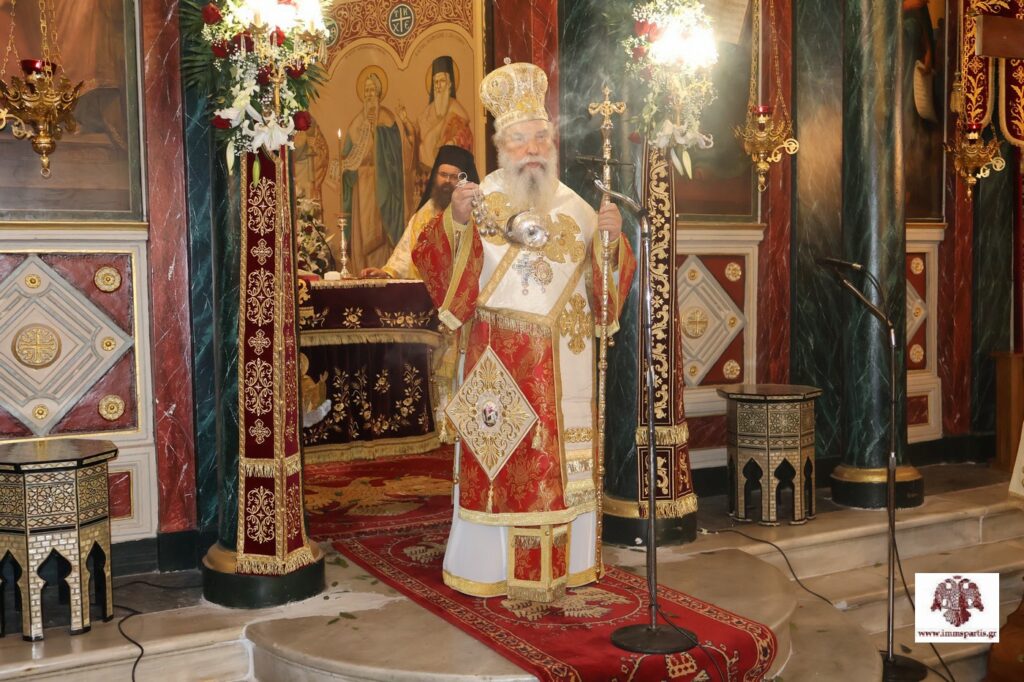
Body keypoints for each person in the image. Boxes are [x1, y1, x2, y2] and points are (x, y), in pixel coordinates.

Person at [412, 61, 635, 603]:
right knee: (500, 466)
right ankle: (489, 567)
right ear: (500, 146)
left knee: (559, 472)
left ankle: (567, 566)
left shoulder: (578, 208)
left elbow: (606, 293)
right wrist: (456, 221)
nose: (532, 148)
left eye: (541, 137)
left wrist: (611, 241)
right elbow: (435, 263)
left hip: (565, 366)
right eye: (520, 139)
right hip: (499, 362)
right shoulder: (478, 199)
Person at [360, 145, 479, 280]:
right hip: (425, 289)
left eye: (453, 177)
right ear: (435, 175)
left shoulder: (476, 212)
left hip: (462, 285)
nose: (447, 181)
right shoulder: (425, 213)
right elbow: (406, 253)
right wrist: (388, 273)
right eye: (443, 175)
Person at [341, 71, 412, 270]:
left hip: (383, 185)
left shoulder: (388, 120)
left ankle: (383, 270)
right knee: (362, 233)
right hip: (361, 188)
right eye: (366, 90)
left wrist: (377, 133)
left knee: (382, 231)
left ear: (379, 93)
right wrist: (346, 169)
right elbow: (346, 156)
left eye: (372, 90)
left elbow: (397, 153)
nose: (369, 94)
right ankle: (360, 272)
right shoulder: (356, 123)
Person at [407, 56, 473, 184]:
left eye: (442, 81)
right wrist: (405, 121)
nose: (438, 85)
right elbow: (416, 131)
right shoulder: (430, 109)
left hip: (448, 173)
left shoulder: (455, 107)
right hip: (427, 173)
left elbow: (465, 133)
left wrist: (453, 142)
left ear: (449, 84)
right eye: (435, 82)